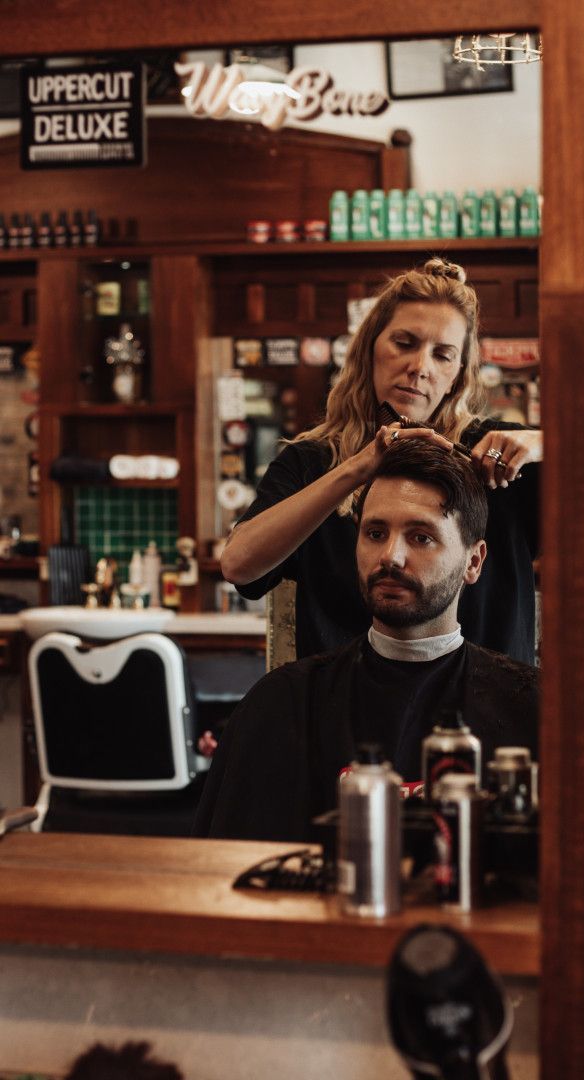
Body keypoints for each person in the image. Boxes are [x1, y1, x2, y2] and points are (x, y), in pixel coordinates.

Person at [195, 439, 537, 842]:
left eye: (421, 537)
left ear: (473, 562)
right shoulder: (281, 704)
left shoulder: (531, 710)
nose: (390, 556)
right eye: (375, 532)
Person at [222, 257, 542, 665]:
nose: (419, 367)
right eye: (405, 343)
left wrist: (543, 443)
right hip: (348, 716)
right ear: (370, 347)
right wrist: (357, 467)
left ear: (458, 376)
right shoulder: (314, 462)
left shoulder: (496, 461)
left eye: (442, 355)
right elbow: (238, 565)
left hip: (486, 717)